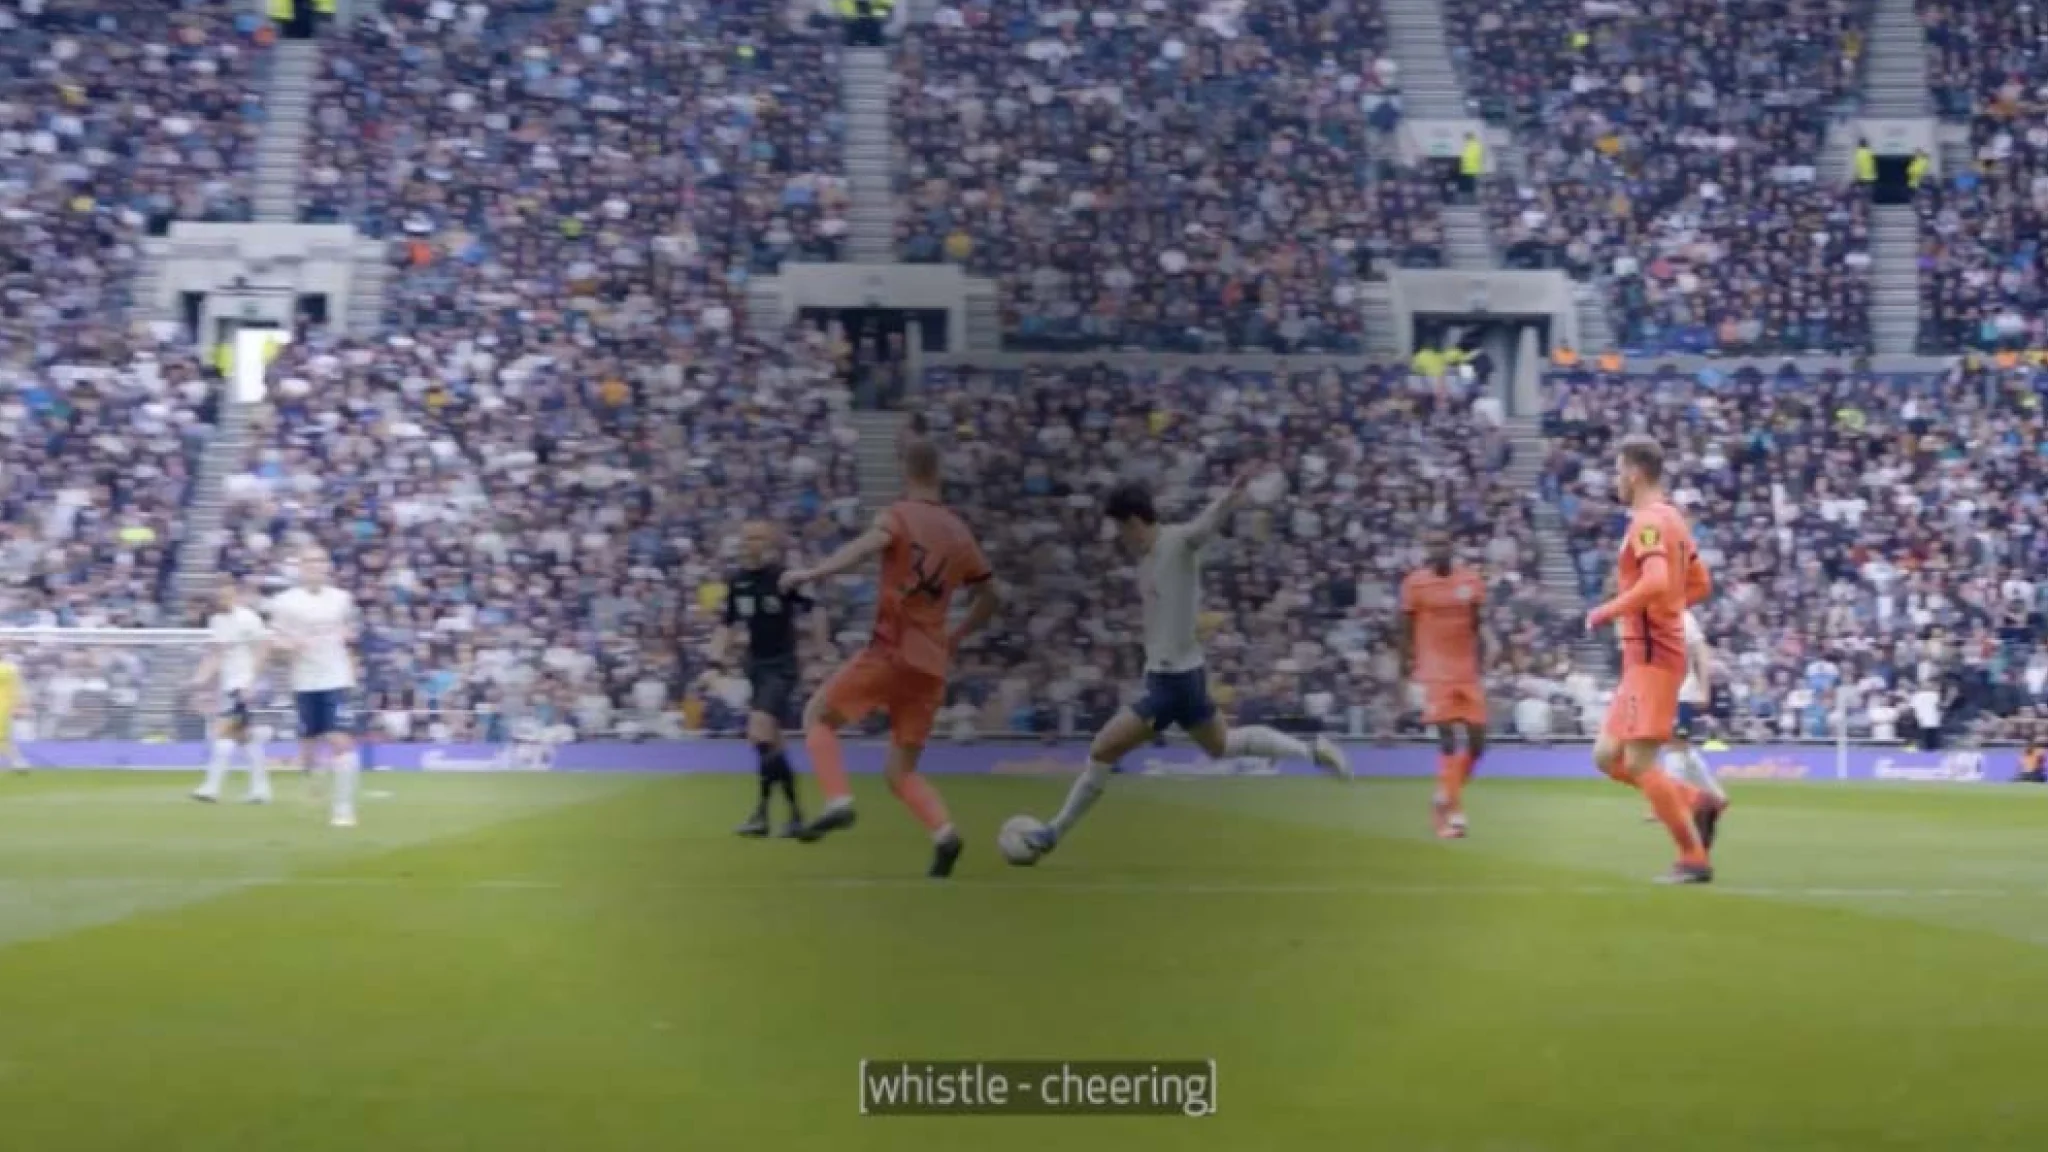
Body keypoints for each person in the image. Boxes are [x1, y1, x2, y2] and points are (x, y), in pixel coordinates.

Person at [1025, 470, 1350, 860]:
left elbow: (1203, 527)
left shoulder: (1175, 542)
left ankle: (1052, 833)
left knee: (1103, 748)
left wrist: (1231, 496)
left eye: (1120, 528)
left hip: (1172, 685)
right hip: (1184, 676)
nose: (1120, 539)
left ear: (1133, 521)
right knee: (1222, 744)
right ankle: (1311, 750)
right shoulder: (1148, 559)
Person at [780, 440, 1001, 877]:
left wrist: (812, 573)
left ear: (905, 470)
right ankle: (945, 835)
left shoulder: (898, 516)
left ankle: (838, 800)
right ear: (939, 472)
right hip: (932, 666)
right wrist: (955, 635)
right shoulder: (960, 532)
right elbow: (992, 596)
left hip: (892, 650)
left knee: (818, 715)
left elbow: (866, 547)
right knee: (900, 771)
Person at [1583, 435, 1723, 884]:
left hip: (1652, 658)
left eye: (1617, 470)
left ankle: (1693, 858)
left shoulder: (1647, 522)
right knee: (1607, 755)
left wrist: (1610, 610)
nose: (1615, 480)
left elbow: (1658, 580)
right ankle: (1694, 800)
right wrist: (1665, 609)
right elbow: (1700, 584)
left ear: (1634, 473)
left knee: (1640, 763)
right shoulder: (1674, 520)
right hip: (1648, 656)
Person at [720, 520, 826, 838]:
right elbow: (727, 624)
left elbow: (815, 609)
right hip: (756, 666)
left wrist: (821, 652)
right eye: (747, 537)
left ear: (770, 543)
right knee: (771, 741)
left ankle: (763, 816)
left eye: (758, 538)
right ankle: (793, 816)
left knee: (759, 731)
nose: (751, 543)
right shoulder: (737, 581)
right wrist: (715, 658)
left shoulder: (784, 578)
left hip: (781, 667)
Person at [1400, 528, 1487, 839]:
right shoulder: (1415, 584)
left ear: (1452, 547)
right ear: (1426, 549)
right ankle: (1450, 816)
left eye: (1442, 543)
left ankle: (1443, 795)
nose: (1437, 549)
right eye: (1432, 544)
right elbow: (1405, 629)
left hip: (1466, 671)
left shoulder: (1470, 581)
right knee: (1448, 739)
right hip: (1434, 672)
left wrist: (1482, 661)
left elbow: (1477, 624)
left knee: (1478, 744)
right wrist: (1405, 671)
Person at [267, 550, 362, 828]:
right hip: (304, 681)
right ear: (300, 567)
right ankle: (313, 776)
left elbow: (350, 632)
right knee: (308, 749)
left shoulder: (341, 599)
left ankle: (343, 809)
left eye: (321, 561)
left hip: (335, 678)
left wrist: (348, 640)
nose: (315, 566)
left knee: (340, 739)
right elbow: (274, 641)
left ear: (327, 567)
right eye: (310, 562)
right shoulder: (284, 602)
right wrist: (289, 645)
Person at [190, 581, 273, 804]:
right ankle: (261, 790)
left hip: (244, 685)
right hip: (229, 686)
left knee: (224, 734)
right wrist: (200, 679)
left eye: (226, 596)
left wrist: (251, 681)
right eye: (219, 597)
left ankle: (211, 788)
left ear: (235, 596)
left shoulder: (248, 619)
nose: (222, 601)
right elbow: (216, 654)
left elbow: (264, 648)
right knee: (246, 740)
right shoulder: (217, 621)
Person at [0, 655, 27, 773]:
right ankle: (18, 762)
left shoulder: (6, 669)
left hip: (3, 707)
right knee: (3, 738)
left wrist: (19, 705)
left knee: (2, 738)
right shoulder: (10, 668)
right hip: (6, 706)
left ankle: (18, 762)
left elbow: (17, 689)